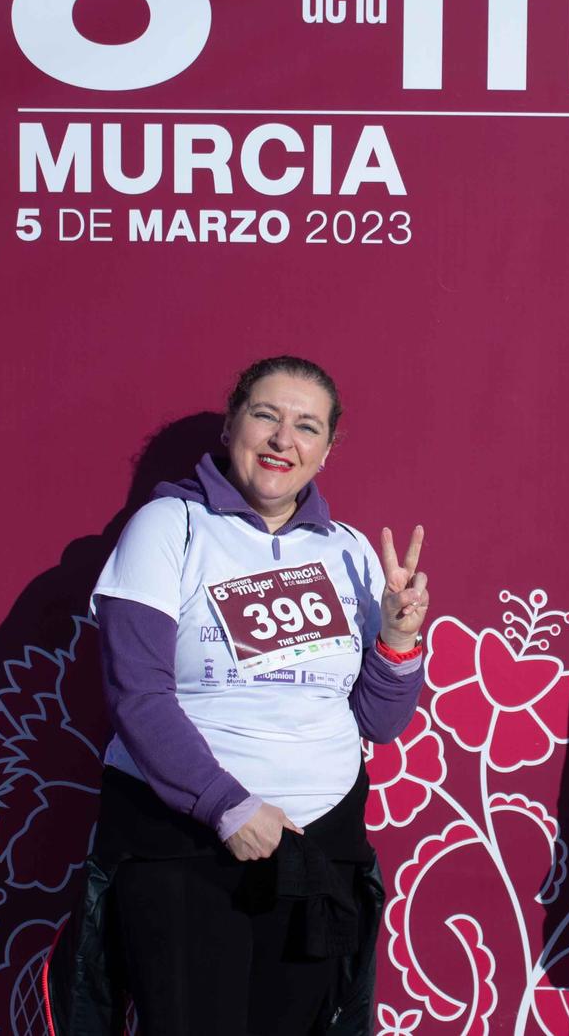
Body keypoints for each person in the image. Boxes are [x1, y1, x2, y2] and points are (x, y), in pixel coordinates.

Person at [87, 356, 431, 1035]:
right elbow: (138, 694)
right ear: (231, 424)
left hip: (319, 855)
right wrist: (226, 805)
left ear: (327, 451)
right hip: (186, 849)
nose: (283, 438)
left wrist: (396, 637)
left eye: (306, 426)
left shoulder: (352, 551)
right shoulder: (169, 525)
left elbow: (378, 721)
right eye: (266, 415)